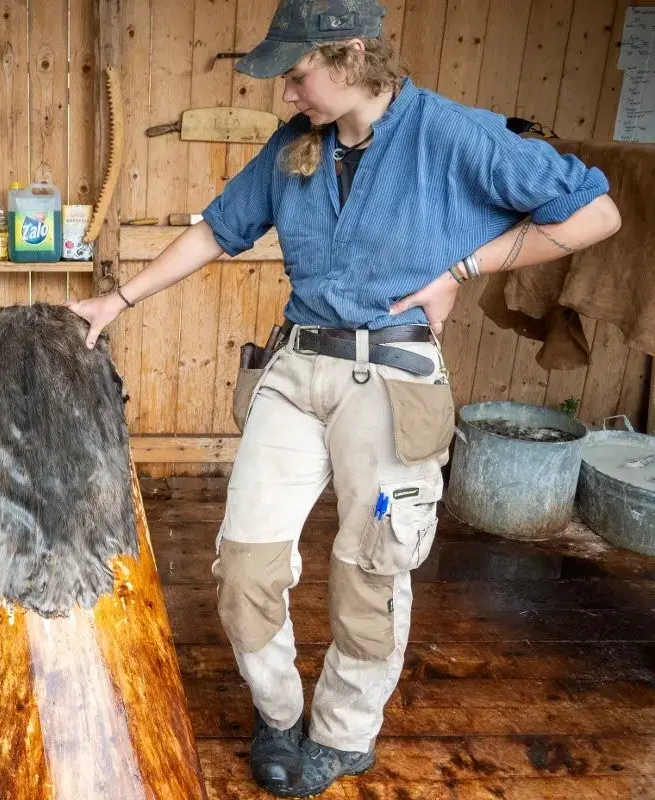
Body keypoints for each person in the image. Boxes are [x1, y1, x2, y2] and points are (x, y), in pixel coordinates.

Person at [68, 0, 621, 795]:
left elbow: (595, 212)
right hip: (294, 373)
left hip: (393, 383)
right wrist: (116, 303)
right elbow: (218, 229)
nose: (289, 94)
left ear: (353, 55)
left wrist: (463, 270)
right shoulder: (296, 144)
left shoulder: (450, 134)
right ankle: (282, 713)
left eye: (298, 75)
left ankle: (342, 732)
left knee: (372, 567)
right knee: (244, 565)